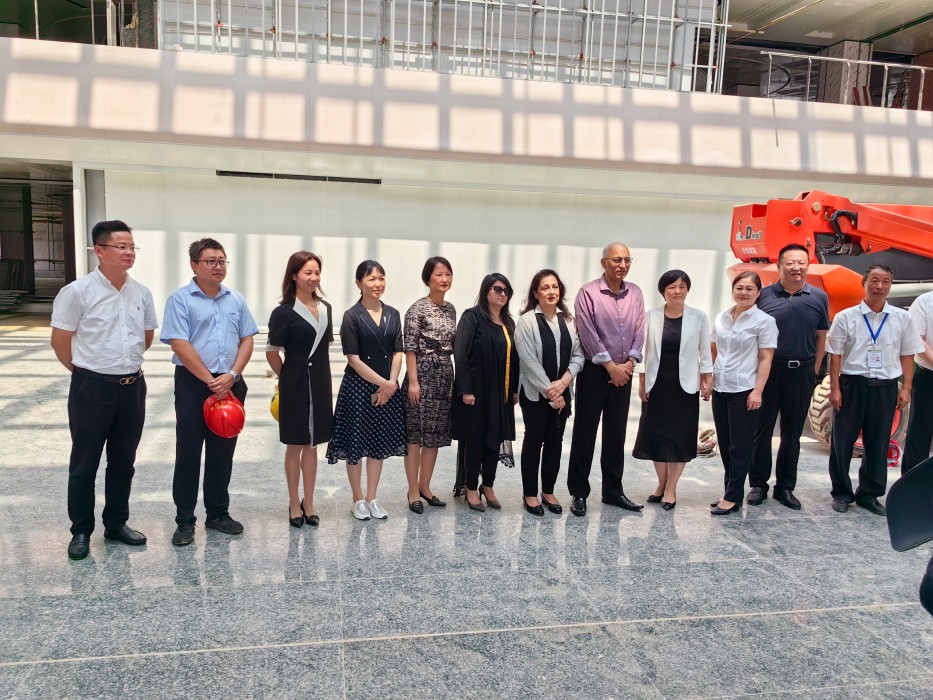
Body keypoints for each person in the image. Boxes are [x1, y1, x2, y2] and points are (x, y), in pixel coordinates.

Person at [50, 220, 157, 560]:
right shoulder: (78, 292)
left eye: (132, 247)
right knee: (84, 464)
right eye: (121, 247)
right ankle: (81, 530)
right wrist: (84, 372)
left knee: (124, 461)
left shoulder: (141, 293)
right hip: (92, 388)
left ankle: (116, 524)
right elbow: (60, 340)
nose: (129, 253)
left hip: (132, 387)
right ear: (99, 250)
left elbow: (146, 337)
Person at [161, 238, 259, 546]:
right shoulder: (180, 299)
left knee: (223, 451)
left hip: (230, 382)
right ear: (194, 265)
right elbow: (179, 343)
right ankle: (184, 520)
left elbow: (247, 339)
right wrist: (210, 380)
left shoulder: (236, 300)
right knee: (188, 452)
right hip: (194, 384)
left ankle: (218, 513)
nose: (218, 266)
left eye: (222, 261)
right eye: (211, 261)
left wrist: (232, 375)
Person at [826, 265, 923, 515]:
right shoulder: (846, 317)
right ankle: (841, 493)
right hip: (852, 385)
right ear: (864, 283)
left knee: (878, 443)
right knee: (842, 442)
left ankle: (869, 494)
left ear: (891, 285)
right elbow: (835, 355)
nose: (880, 286)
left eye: (886, 281)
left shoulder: (902, 318)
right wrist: (835, 388)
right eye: (875, 281)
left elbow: (907, 354)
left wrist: (906, 388)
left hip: (885, 387)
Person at [566, 243, 646, 517]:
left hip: (624, 372)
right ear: (604, 262)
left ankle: (613, 490)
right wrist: (611, 366)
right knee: (585, 433)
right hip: (595, 372)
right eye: (616, 260)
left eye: (627, 260)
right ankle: (579, 491)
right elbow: (587, 332)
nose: (622, 265)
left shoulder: (635, 292)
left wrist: (630, 364)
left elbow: (640, 329)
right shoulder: (588, 293)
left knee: (616, 434)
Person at [750, 243, 830, 510]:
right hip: (769, 372)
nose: (796, 268)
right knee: (761, 431)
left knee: (792, 433)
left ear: (808, 265)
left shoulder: (819, 297)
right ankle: (758, 485)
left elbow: (821, 335)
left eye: (801, 263)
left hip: (801, 372)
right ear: (779, 266)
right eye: (790, 263)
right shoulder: (763, 296)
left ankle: (785, 487)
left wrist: (815, 367)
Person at [326, 260, 406, 521]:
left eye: (381, 278)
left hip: (387, 387)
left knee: (377, 443)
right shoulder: (352, 316)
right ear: (359, 283)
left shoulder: (393, 314)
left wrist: (391, 383)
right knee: (356, 444)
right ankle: (357, 498)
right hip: (358, 388)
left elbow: (398, 352)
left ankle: (372, 497)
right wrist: (386, 384)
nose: (377, 283)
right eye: (371, 279)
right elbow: (353, 359)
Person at [633, 270, 713, 510]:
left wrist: (707, 377)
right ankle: (661, 483)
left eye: (682, 286)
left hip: (684, 386)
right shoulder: (651, 316)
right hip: (657, 384)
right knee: (656, 436)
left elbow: (705, 351)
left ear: (687, 289)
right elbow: (644, 351)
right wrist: (642, 382)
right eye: (672, 287)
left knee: (679, 436)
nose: (677, 291)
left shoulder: (698, 317)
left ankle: (671, 488)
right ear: (663, 291)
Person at [266, 251, 334, 528]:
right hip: (294, 383)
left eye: (317, 272)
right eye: (308, 272)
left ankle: (310, 501)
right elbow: (272, 352)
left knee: (313, 444)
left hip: (320, 382)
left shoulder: (326, 308)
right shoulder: (283, 312)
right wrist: (287, 378)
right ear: (294, 275)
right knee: (295, 444)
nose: (313, 277)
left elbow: (323, 347)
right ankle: (294, 502)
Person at [515, 269, 584, 516]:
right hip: (535, 395)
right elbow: (528, 362)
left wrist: (564, 383)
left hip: (563, 395)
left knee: (555, 443)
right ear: (536, 293)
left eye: (555, 286)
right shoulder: (527, 322)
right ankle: (530, 494)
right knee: (534, 441)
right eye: (545, 287)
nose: (551, 291)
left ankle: (548, 491)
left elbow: (579, 355)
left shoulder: (569, 320)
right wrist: (552, 393)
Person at [710, 271, 777, 515]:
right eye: (739, 288)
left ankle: (733, 496)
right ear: (733, 290)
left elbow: (766, 358)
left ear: (758, 293)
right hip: (721, 388)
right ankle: (731, 491)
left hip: (745, 389)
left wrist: (758, 391)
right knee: (725, 443)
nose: (744, 293)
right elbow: (714, 349)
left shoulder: (764, 321)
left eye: (750, 289)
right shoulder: (722, 317)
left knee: (740, 445)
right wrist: (710, 377)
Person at [452, 273, 520, 512]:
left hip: (500, 394)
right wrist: (466, 389)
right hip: (476, 393)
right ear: (486, 291)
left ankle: (488, 485)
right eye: (497, 289)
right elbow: (460, 353)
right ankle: (471, 487)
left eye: (506, 290)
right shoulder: (472, 317)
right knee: (476, 440)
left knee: (495, 439)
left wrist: (514, 390)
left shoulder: (508, 323)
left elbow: (514, 359)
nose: (503, 294)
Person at [402, 257, 457, 514]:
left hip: (444, 376)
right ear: (428, 278)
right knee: (416, 435)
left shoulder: (451, 309)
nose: (444, 279)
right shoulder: (417, 309)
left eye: (448, 274)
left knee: (434, 436)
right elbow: (410, 347)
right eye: (438, 274)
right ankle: (413, 489)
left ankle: (425, 486)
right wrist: (413, 382)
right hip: (422, 375)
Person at [902, 289, 933, 474]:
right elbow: (917, 340)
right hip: (929, 377)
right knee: (919, 435)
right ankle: (912, 486)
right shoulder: (924, 302)